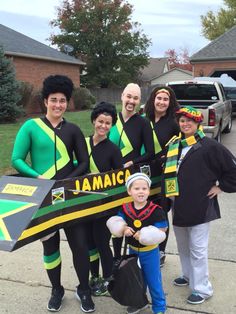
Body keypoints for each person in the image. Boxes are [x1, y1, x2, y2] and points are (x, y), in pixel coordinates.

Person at [11, 75, 95, 313]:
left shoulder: (74, 129)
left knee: (80, 245)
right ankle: (56, 289)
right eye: (53, 100)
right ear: (45, 101)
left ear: (67, 102)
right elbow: (16, 159)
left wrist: (68, 181)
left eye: (62, 101)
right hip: (44, 197)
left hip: (71, 197)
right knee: (50, 247)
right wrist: (38, 178)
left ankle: (84, 289)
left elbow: (84, 162)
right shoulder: (31, 127)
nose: (58, 105)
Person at [163, 106, 236, 305]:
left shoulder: (210, 146)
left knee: (198, 249)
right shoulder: (176, 145)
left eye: (189, 121)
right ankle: (187, 275)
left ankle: (202, 289)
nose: (185, 124)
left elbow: (232, 170)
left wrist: (220, 187)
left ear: (198, 123)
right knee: (183, 245)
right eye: (182, 121)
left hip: (201, 206)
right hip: (178, 204)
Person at [107, 172, 167, 314]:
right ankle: (139, 302)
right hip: (132, 251)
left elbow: (162, 229)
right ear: (129, 191)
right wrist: (123, 228)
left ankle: (159, 307)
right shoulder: (125, 208)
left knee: (154, 281)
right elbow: (118, 221)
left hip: (151, 252)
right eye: (137, 189)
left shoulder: (155, 210)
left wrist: (147, 234)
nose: (141, 191)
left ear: (148, 190)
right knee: (136, 279)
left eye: (144, 188)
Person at [109, 83, 154, 264]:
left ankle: (128, 260)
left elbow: (150, 152)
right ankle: (115, 257)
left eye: (135, 98)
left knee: (127, 217)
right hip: (110, 178)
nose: (131, 101)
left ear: (139, 101)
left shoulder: (143, 123)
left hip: (130, 180)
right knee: (113, 219)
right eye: (129, 96)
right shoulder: (111, 119)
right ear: (122, 96)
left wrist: (131, 162)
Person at [85, 102, 123, 296]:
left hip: (104, 207)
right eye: (100, 121)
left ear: (111, 125)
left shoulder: (114, 150)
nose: (103, 126)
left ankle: (108, 278)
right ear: (94, 121)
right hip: (83, 206)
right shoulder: (82, 144)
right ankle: (94, 276)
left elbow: (120, 181)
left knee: (101, 242)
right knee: (89, 244)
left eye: (108, 123)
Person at [144, 85, 180, 267]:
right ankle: (143, 247)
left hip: (164, 177)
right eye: (159, 98)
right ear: (153, 100)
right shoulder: (144, 120)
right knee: (142, 211)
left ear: (170, 102)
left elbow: (180, 148)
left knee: (160, 213)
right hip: (143, 177)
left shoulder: (174, 123)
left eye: (166, 99)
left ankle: (161, 251)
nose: (161, 102)